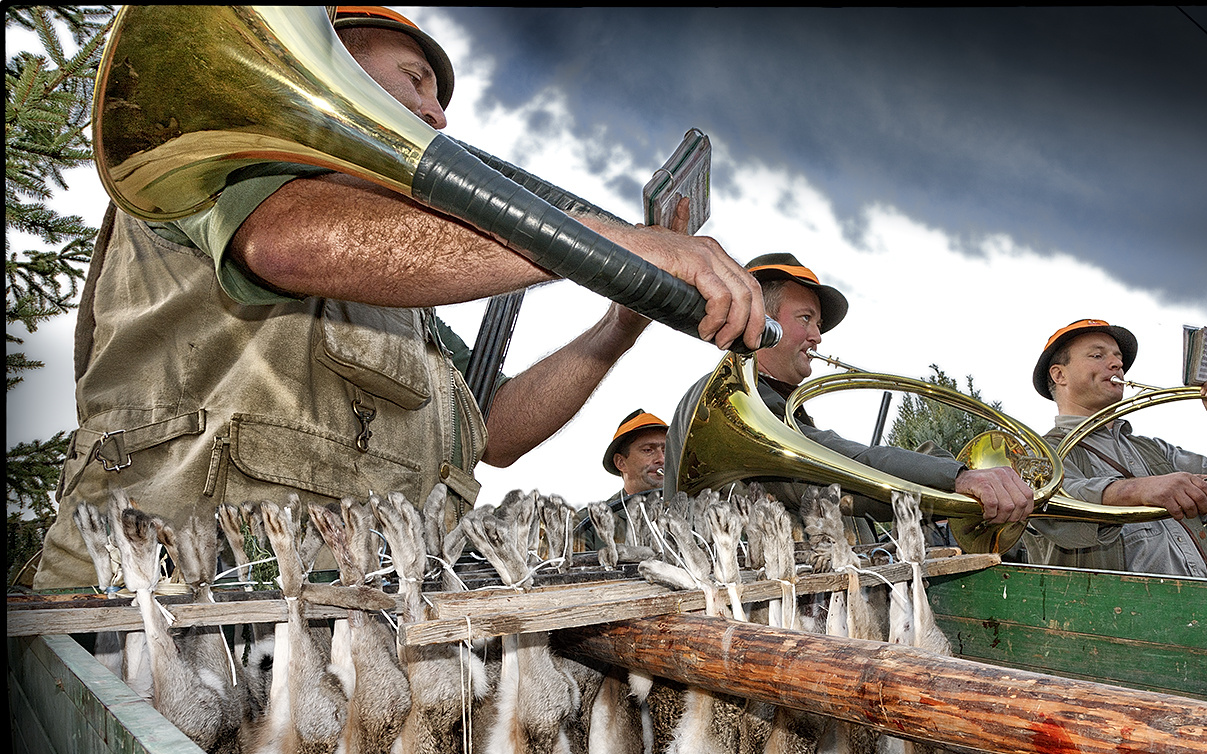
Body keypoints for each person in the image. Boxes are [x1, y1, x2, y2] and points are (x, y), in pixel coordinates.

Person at [34, 6, 765, 590]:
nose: (438, 114)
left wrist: (617, 325)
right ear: (333, 57)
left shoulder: (398, 297)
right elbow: (284, 242)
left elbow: (492, 436)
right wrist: (612, 246)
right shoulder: (214, 140)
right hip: (157, 595)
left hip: (324, 614)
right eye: (416, 80)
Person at [662, 252, 1034, 541]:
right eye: (805, 319)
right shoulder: (734, 400)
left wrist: (941, 482)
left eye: (818, 325)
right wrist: (952, 478)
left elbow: (833, 489)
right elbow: (837, 466)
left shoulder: (780, 406)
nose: (818, 337)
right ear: (761, 320)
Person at [1022, 318, 1207, 577]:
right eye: (1097, 355)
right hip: (1113, 615)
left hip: (1205, 607)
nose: (1117, 364)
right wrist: (1139, 489)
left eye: (1118, 358)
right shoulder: (1039, 453)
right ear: (1059, 375)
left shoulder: (1154, 449)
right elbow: (1055, 500)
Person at [579, 409, 668, 549]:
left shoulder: (695, 514)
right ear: (621, 463)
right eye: (648, 450)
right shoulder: (589, 522)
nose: (661, 459)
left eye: (666, 450)